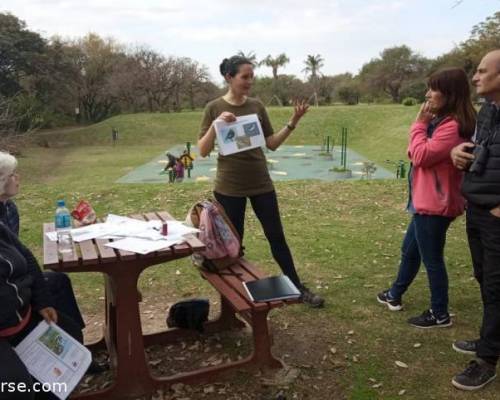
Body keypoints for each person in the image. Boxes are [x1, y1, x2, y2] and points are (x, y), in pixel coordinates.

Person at [197, 55, 324, 307]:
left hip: (260, 183)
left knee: (276, 236)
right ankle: (231, 302)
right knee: (233, 244)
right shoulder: (213, 107)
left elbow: (272, 144)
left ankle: (298, 288)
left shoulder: (256, 106)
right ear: (229, 77)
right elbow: (201, 150)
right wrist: (216, 124)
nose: (249, 81)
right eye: (244, 76)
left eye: (251, 76)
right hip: (229, 187)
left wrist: (293, 122)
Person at [377, 68, 476, 328]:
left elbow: (419, 155)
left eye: (433, 89)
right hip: (426, 202)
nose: (427, 94)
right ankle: (394, 294)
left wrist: (419, 124)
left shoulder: (452, 127)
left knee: (431, 259)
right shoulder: (443, 122)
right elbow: (417, 152)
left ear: (450, 93)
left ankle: (439, 313)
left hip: (435, 204)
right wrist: (422, 130)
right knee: (410, 251)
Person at [450, 49, 500, 391]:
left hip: (496, 214)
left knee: (497, 286)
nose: (475, 77)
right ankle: (490, 337)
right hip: (477, 208)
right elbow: (483, 148)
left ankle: (487, 360)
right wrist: (460, 151)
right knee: (484, 278)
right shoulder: (488, 111)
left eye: (482, 71)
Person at [0, 152, 85, 330]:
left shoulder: (9, 208)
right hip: (11, 294)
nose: (18, 178)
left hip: (18, 278)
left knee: (58, 280)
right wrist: (37, 298)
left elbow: (23, 253)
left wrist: (42, 299)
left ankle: (75, 344)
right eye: (12, 175)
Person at [0, 222, 84, 400]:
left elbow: (26, 257)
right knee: (13, 387)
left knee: (70, 333)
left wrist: (42, 300)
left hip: (22, 316)